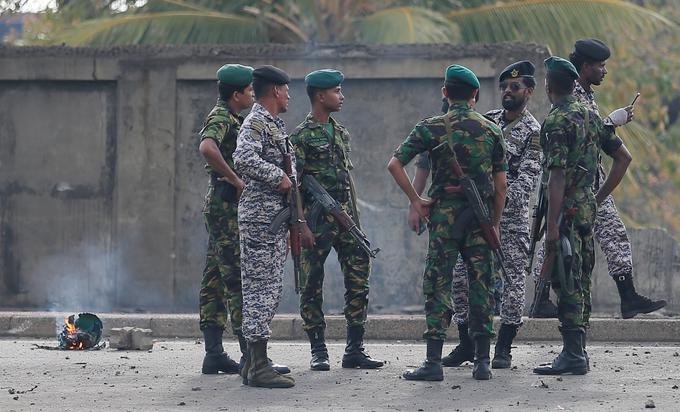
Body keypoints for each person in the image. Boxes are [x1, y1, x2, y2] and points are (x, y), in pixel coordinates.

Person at [388, 64, 507, 381]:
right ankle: (483, 362)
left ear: (445, 92)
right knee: (481, 286)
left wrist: (416, 199)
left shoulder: (431, 127)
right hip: (479, 218)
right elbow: (501, 188)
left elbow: (394, 164)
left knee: (438, 285)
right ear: (475, 95)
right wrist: (493, 223)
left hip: (444, 219)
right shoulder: (492, 130)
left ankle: (433, 362)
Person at [532, 39, 666, 320]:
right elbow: (583, 129)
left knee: (615, 235)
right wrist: (611, 122)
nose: (604, 71)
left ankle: (628, 297)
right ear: (585, 67)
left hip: (592, 179)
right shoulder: (570, 91)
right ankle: (542, 297)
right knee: (556, 237)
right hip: (572, 182)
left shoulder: (587, 94)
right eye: (600, 66)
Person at [534, 56, 631, 375]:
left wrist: (551, 228)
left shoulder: (556, 120)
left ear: (548, 86)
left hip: (565, 213)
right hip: (586, 210)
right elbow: (623, 158)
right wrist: (596, 198)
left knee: (565, 279)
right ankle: (578, 351)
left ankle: (573, 354)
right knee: (581, 278)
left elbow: (557, 176)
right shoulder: (591, 116)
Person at [290, 69, 384, 371]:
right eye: (337, 91)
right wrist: (301, 223)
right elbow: (295, 184)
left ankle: (354, 349)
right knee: (311, 283)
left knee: (359, 278)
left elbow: (347, 183)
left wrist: (354, 221)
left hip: (344, 219)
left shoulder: (342, 133)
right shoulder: (300, 137)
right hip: (315, 221)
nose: (341, 97)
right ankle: (318, 350)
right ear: (320, 95)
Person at [233, 65, 314, 388]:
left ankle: (255, 362)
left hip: (271, 221)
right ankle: (257, 365)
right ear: (276, 91)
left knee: (267, 290)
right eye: (286, 89)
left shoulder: (271, 124)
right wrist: (277, 177)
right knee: (260, 291)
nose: (289, 95)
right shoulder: (256, 122)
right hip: (261, 220)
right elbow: (243, 158)